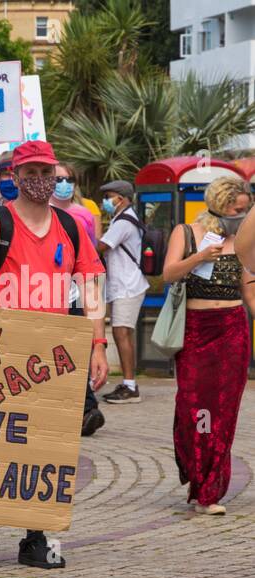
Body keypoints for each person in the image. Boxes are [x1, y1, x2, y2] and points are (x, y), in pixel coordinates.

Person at [0, 140, 109, 569]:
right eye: (32, 173)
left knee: (45, 449)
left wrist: (98, 343)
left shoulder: (72, 227)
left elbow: (91, 286)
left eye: (48, 174)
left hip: (55, 355)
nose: (42, 181)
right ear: (14, 177)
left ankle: (34, 537)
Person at [164, 175, 252, 516]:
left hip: (232, 331)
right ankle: (195, 466)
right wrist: (199, 257)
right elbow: (169, 273)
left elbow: (249, 292)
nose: (240, 216)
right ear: (218, 204)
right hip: (196, 331)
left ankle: (209, 490)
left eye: (246, 210)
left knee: (224, 413)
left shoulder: (243, 241)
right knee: (195, 409)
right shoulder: (186, 232)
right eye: (236, 209)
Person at [96, 180, 151, 404]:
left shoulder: (124, 222)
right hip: (124, 285)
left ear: (122, 198)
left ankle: (130, 385)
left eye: (109, 196)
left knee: (121, 332)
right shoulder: (122, 218)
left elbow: (101, 247)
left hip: (128, 286)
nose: (106, 201)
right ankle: (129, 383)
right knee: (123, 333)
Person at [51, 162, 98, 246]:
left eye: (70, 179)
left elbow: (91, 247)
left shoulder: (85, 214)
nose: (64, 183)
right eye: (58, 179)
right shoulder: (40, 212)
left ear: (75, 183)